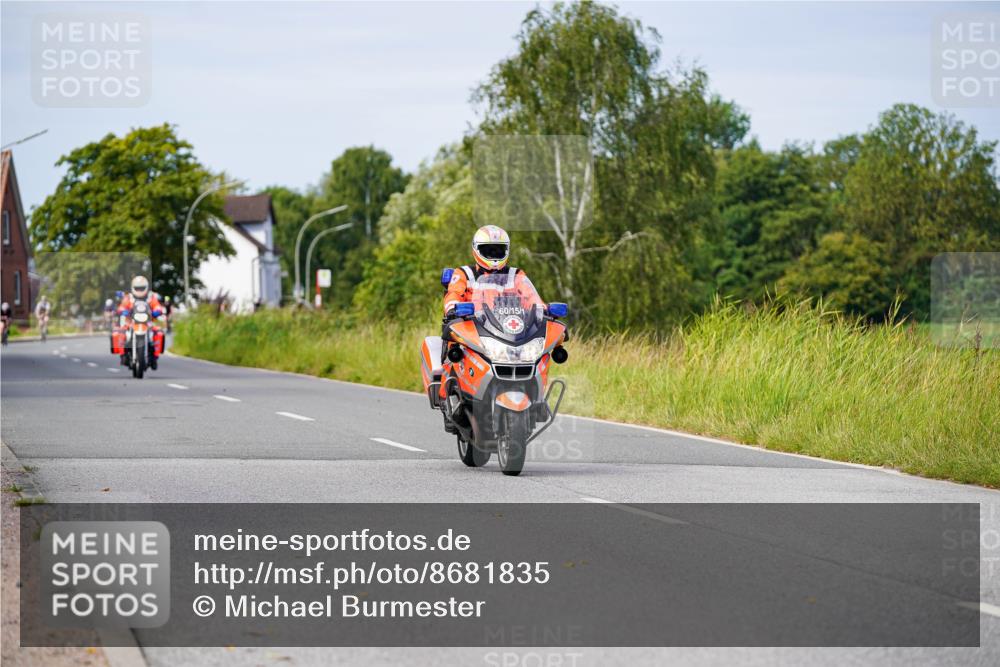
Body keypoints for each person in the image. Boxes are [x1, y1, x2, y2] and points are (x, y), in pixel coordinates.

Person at [442, 225, 544, 316]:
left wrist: (542, 309)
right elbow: (454, 293)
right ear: (476, 249)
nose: (493, 254)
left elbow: (531, 297)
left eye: (498, 250)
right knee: (438, 338)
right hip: (472, 330)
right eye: (487, 250)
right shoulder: (464, 273)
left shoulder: (516, 275)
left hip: (513, 332)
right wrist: (452, 308)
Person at [117, 276, 165, 369]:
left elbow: (158, 307)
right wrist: (123, 311)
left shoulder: (151, 297)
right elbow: (121, 307)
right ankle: (123, 356)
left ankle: (155, 357)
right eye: (137, 288)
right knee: (121, 332)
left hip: (148, 323)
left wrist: (157, 311)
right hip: (131, 323)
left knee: (159, 333)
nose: (139, 290)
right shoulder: (129, 297)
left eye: (141, 288)